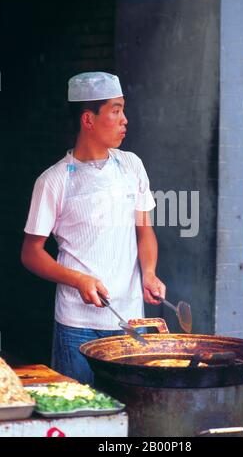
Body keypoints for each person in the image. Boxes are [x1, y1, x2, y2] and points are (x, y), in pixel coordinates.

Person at [21, 71, 166, 385]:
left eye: (122, 109)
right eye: (115, 110)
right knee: (81, 410)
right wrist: (78, 279)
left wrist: (150, 272)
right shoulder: (53, 181)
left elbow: (145, 231)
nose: (124, 119)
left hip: (131, 322)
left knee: (133, 412)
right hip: (77, 326)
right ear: (88, 119)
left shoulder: (132, 166)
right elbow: (31, 254)